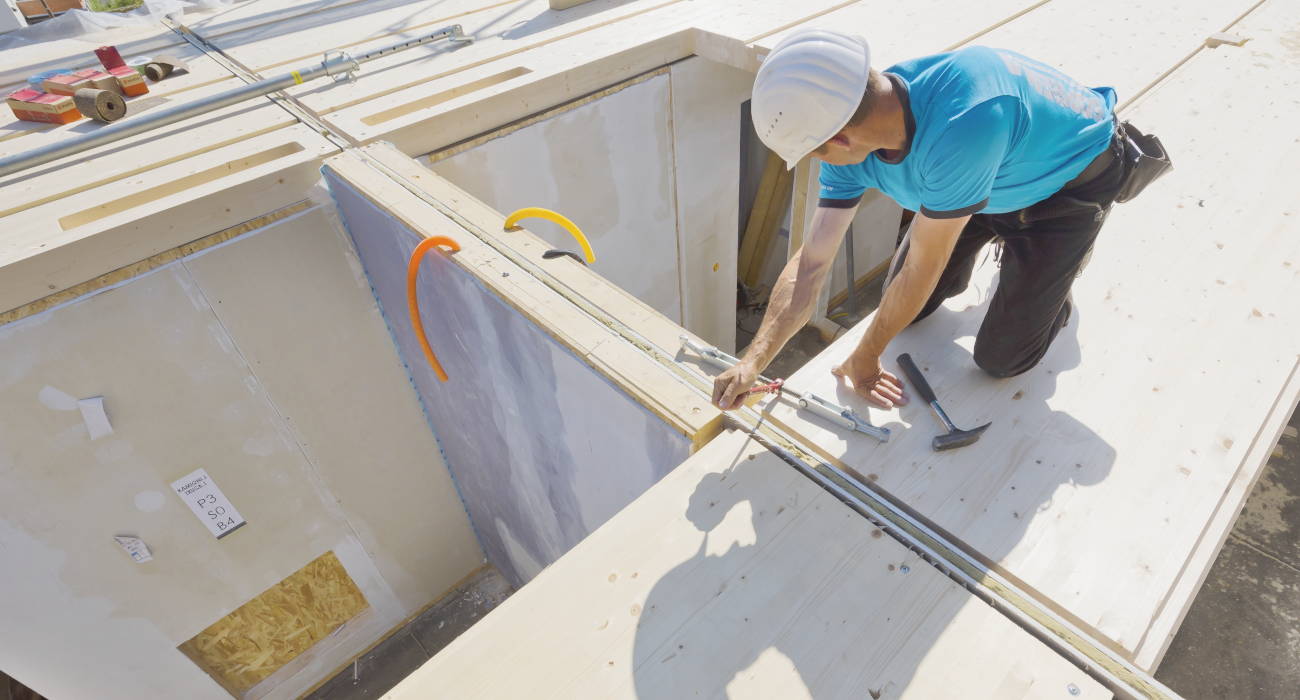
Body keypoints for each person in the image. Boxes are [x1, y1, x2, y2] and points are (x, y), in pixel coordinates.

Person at [714, 29, 1151, 411]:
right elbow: (811, 265)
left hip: (1064, 190)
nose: (819, 163)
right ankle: (996, 235)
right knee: (909, 305)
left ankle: (1058, 279)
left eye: (815, 152)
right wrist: (753, 360)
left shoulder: (964, 121)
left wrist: (866, 357)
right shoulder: (859, 122)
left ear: (841, 137)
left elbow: (925, 264)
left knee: (1000, 361)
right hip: (984, 181)